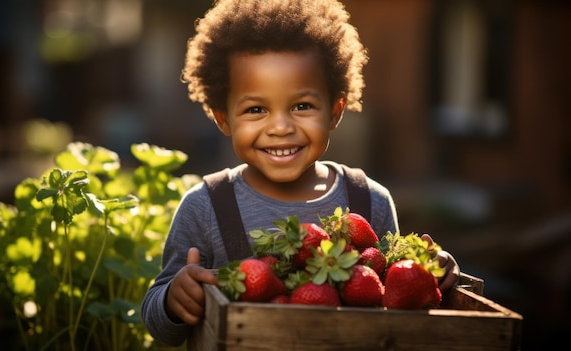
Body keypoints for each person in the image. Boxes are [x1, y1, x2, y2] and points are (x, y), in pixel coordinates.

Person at [141, 0, 460, 346]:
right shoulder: (205, 207)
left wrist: (426, 271)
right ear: (223, 118)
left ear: (335, 111)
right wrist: (175, 297)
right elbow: (159, 322)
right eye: (256, 109)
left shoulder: (369, 201)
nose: (280, 127)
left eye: (302, 106)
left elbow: (392, 301)